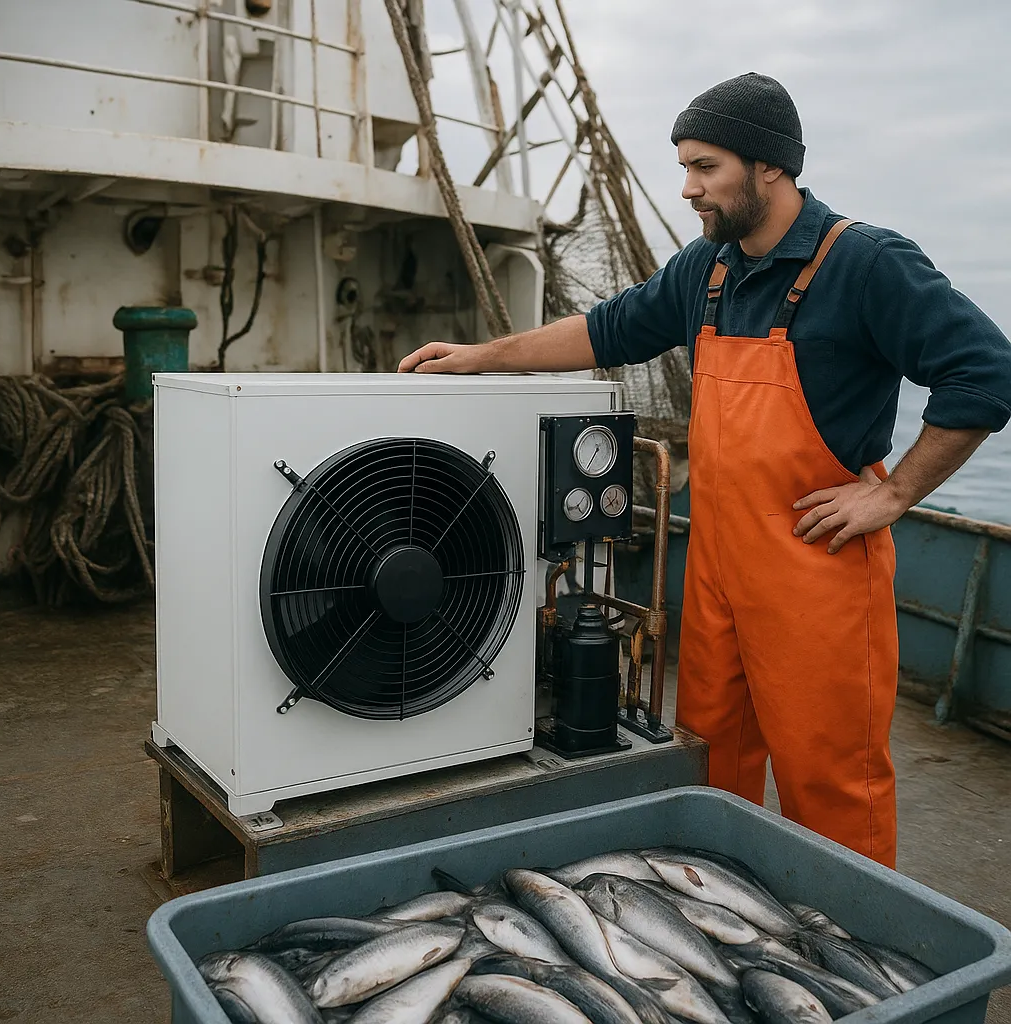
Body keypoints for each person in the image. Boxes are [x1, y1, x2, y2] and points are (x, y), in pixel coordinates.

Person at [397, 72, 1011, 868]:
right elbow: (604, 331)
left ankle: (855, 956)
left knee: (831, 782)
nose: (688, 187)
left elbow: (983, 374)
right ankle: (724, 906)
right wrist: (479, 358)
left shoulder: (865, 262)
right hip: (718, 568)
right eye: (683, 165)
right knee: (710, 756)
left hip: (815, 567)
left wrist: (893, 493)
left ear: (770, 167)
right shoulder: (708, 269)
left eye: (705, 166)